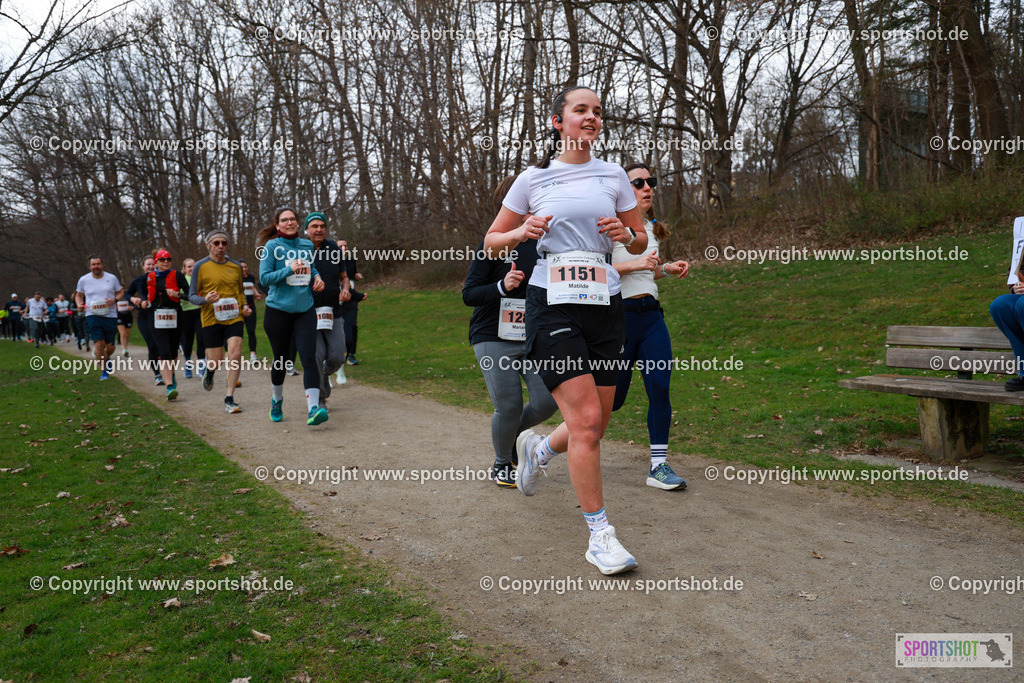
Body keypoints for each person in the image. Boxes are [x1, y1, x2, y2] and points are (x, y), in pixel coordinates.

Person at [483, 86, 647, 575]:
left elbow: (638, 242)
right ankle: (600, 535)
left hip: (604, 300)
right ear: (559, 121)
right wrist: (520, 232)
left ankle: (538, 447)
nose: (592, 118)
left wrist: (627, 235)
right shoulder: (534, 178)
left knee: (598, 419)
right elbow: (492, 241)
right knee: (586, 425)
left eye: (597, 111)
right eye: (581, 111)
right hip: (551, 302)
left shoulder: (614, 175)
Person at [464, 177, 559, 487]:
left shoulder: (545, 244)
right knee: (508, 405)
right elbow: (469, 294)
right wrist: (500, 287)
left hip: (532, 336)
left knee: (547, 400)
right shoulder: (493, 243)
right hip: (492, 335)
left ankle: (511, 435)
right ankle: (503, 461)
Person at [611, 163, 690, 490]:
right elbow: (599, 269)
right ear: (623, 190)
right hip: (619, 319)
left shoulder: (647, 228)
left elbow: (648, 272)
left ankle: (658, 466)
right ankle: (545, 447)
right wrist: (635, 263)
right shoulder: (611, 225)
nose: (648, 187)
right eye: (638, 182)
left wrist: (667, 268)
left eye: (651, 181)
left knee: (659, 387)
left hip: (651, 316)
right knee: (611, 400)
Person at [257, 207, 328, 425]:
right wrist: (289, 269)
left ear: (297, 223)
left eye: (293, 219)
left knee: (309, 358)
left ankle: (313, 409)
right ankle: (277, 400)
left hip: (305, 310)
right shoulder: (272, 246)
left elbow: (311, 268)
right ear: (277, 225)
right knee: (281, 360)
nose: (290, 223)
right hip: (278, 311)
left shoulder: (306, 245)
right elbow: (264, 278)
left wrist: (317, 278)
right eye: (285, 220)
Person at [187, 231, 250, 413]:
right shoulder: (200, 266)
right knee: (216, 361)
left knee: (235, 354)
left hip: (234, 317)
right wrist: (205, 300)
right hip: (211, 318)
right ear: (208, 246)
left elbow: (240, 292)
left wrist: (244, 306)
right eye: (216, 243)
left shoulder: (236, 266)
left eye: (224, 243)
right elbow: (191, 296)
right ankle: (210, 370)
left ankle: (229, 398)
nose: (220, 246)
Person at [305, 212, 347, 412]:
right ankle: (320, 401)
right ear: (307, 229)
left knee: (338, 356)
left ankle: (323, 375)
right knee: (316, 355)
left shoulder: (334, 249)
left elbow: (344, 277)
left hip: (333, 312)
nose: (319, 229)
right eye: (314, 226)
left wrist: (346, 289)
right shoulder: (300, 249)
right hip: (308, 313)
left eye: (322, 225)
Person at [144, 249, 189, 400]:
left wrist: (178, 295)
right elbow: (138, 292)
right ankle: (170, 387)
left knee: (173, 351)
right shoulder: (149, 277)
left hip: (175, 315)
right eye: (162, 260)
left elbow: (190, 294)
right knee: (163, 352)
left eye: (168, 259)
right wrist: (140, 300)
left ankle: (172, 374)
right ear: (156, 262)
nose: (166, 262)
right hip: (155, 317)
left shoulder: (178, 275)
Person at [74, 256, 124, 380]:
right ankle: (104, 371)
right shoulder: (84, 280)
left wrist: (115, 300)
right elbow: (78, 295)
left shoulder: (111, 278)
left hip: (110, 315)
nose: (96, 266)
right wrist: (79, 304)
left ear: (103, 265)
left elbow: (120, 292)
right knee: (98, 345)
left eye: (98, 264)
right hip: (92, 315)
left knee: (110, 347)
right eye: (93, 264)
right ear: (89, 266)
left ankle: (107, 357)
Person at [339, 241, 367, 366]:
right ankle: (338, 354)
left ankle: (351, 355)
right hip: (337, 298)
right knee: (341, 327)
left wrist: (357, 277)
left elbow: (352, 275)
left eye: (345, 246)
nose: (343, 248)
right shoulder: (331, 260)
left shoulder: (351, 260)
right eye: (340, 246)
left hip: (352, 297)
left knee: (353, 326)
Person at [179, 258, 207, 379]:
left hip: (200, 312)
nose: (192, 268)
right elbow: (180, 295)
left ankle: (201, 366)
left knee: (201, 339)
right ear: (184, 269)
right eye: (189, 266)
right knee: (188, 341)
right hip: (186, 313)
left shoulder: (201, 278)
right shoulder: (182, 279)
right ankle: (188, 364)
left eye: (194, 266)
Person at [239, 259, 263, 364]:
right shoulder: (235, 278)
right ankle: (231, 355)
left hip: (251, 307)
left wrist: (256, 294)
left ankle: (253, 356)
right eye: (242, 267)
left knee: (251, 331)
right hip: (239, 309)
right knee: (237, 333)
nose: (244, 269)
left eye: (245, 267)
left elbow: (252, 287)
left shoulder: (251, 277)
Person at [115, 290, 133, 357]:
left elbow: (134, 304)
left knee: (127, 334)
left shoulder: (128, 296)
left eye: (123, 289)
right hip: (119, 316)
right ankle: (124, 349)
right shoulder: (115, 297)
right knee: (123, 333)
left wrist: (132, 307)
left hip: (128, 316)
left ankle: (125, 346)